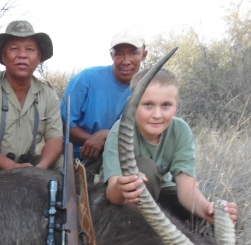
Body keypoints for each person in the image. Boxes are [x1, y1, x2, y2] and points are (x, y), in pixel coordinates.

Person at [102, 68, 238, 225]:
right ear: (131, 104)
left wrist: (209, 211)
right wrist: (123, 187)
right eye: (148, 105)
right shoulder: (119, 131)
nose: (157, 115)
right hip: (126, 202)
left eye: (166, 105)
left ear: (176, 104)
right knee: (147, 169)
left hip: (163, 193)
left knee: (223, 216)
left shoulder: (181, 130)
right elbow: (112, 193)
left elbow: (187, 190)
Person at [0, 21, 63, 175]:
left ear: (38, 56)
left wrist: (41, 169)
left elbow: (55, 140)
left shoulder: (48, 94)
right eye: (14, 49)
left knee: (61, 163)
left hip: (25, 169)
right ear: (4, 55)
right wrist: (11, 168)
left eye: (30, 49)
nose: (22, 55)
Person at [61, 29, 147, 183]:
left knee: (147, 170)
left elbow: (145, 131)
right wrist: (93, 140)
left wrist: (107, 135)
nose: (126, 61)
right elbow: (64, 124)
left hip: (119, 155)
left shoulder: (148, 88)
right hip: (79, 156)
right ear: (112, 55)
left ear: (144, 55)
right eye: (119, 54)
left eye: (133, 53)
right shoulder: (86, 79)